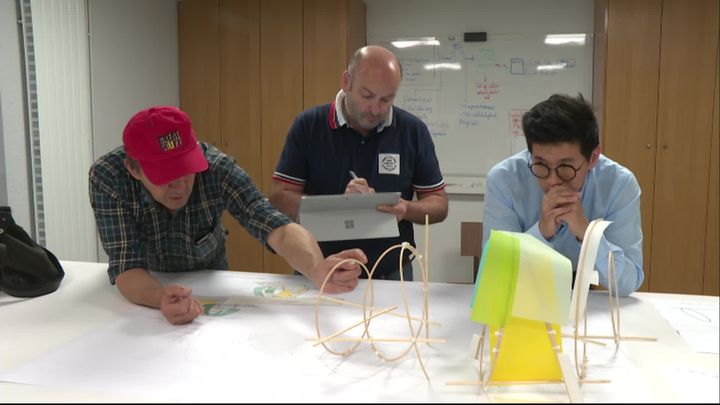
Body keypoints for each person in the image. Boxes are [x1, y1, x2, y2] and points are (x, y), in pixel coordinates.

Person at [89, 106, 366, 325]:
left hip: (210, 279)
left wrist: (317, 269)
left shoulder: (217, 168)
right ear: (133, 169)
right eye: (166, 177)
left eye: (186, 170)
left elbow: (275, 226)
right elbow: (127, 267)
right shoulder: (109, 177)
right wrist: (161, 297)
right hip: (144, 286)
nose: (181, 185)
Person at [269, 45, 448, 281]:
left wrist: (405, 208)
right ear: (346, 81)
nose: (375, 109)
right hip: (320, 269)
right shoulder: (309, 126)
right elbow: (279, 198)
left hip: (392, 274)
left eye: (386, 99)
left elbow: (438, 204)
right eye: (367, 96)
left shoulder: (412, 131)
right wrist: (338, 205)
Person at [483, 94, 643, 297]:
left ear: (593, 158)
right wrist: (541, 233)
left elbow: (628, 282)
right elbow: (497, 275)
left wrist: (588, 235)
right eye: (540, 164)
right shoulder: (504, 179)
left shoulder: (618, 184)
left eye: (565, 167)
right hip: (523, 292)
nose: (552, 180)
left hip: (584, 296)